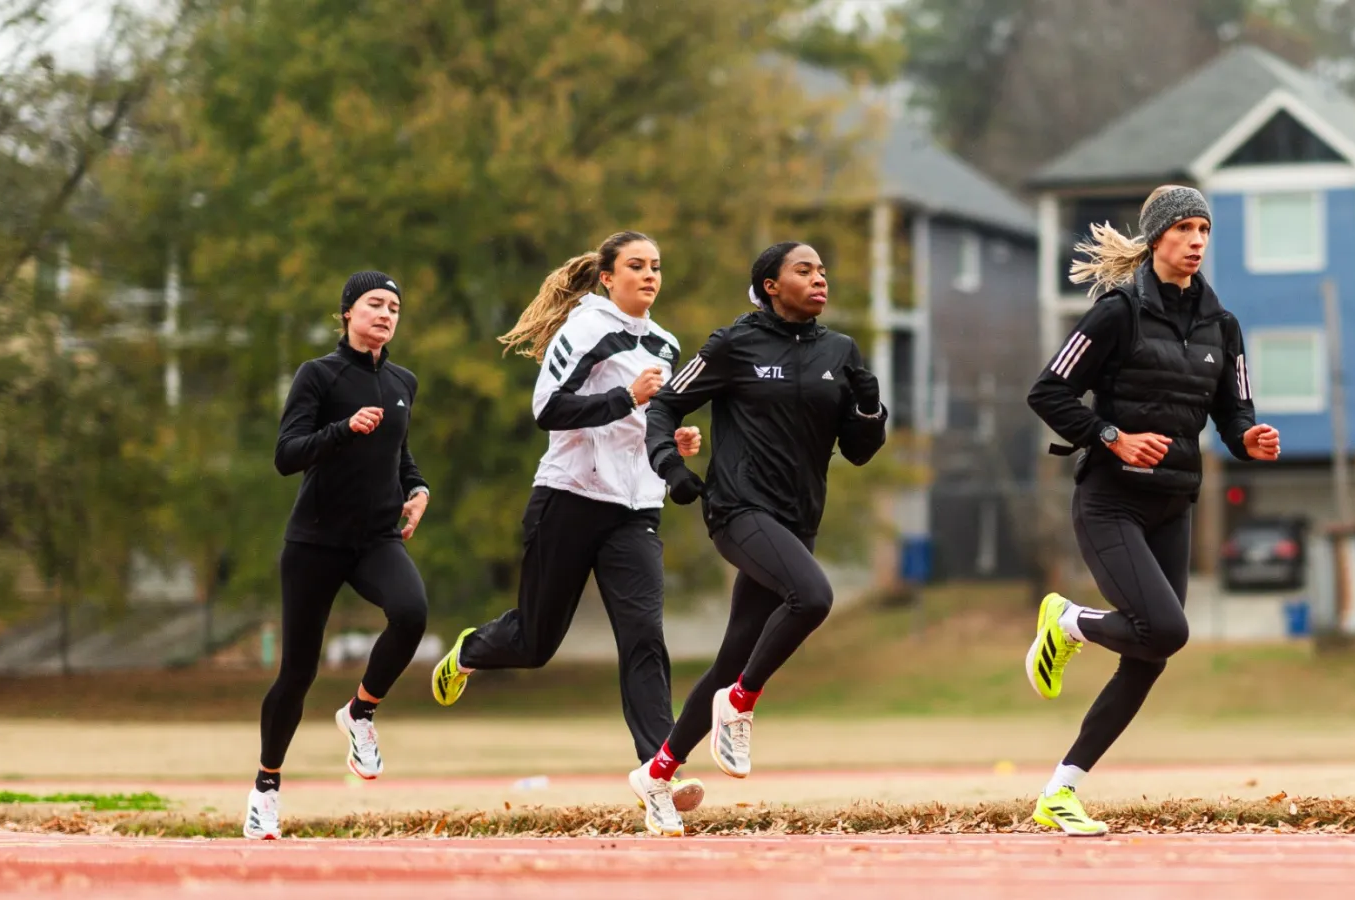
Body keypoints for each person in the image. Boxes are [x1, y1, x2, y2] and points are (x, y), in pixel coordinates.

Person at [1024, 185, 1281, 836]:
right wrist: (1112, 437)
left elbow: (1233, 412)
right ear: (1157, 237)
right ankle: (1069, 621)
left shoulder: (1222, 324)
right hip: (1110, 502)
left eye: (1205, 228)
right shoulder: (1117, 313)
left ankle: (1060, 792)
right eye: (1186, 228)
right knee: (1166, 630)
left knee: (1149, 652)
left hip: (1174, 503)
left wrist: (1248, 439)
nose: (1197, 240)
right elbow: (1048, 391)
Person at [428, 231, 707, 815]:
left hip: (635, 510)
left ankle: (659, 774)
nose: (650, 275)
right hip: (570, 498)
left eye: (656, 265)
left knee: (644, 637)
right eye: (636, 265)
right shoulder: (585, 329)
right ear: (608, 277)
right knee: (535, 643)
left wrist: (673, 440)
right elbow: (547, 408)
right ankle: (472, 650)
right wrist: (627, 399)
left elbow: (650, 423)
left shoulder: (666, 343)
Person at [631, 241, 888, 837]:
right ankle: (741, 704)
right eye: (804, 270)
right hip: (738, 509)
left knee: (730, 656)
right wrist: (671, 469)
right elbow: (664, 407)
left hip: (797, 521)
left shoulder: (839, 350)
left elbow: (857, 451)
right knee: (814, 598)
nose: (820, 278)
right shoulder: (733, 344)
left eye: (824, 269)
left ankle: (658, 773)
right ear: (771, 285)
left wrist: (870, 407)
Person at [245, 271, 434, 840]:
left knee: (412, 613)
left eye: (394, 307)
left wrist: (419, 489)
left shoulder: (404, 381)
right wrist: (343, 430)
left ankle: (360, 712)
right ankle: (266, 789)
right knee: (297, 673)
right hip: (315, 543)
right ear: (348, 312)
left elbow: (399, 454)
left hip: (377, 538)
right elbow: (286, 455)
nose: (385, 314)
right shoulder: (318, 375)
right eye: (375, 303)